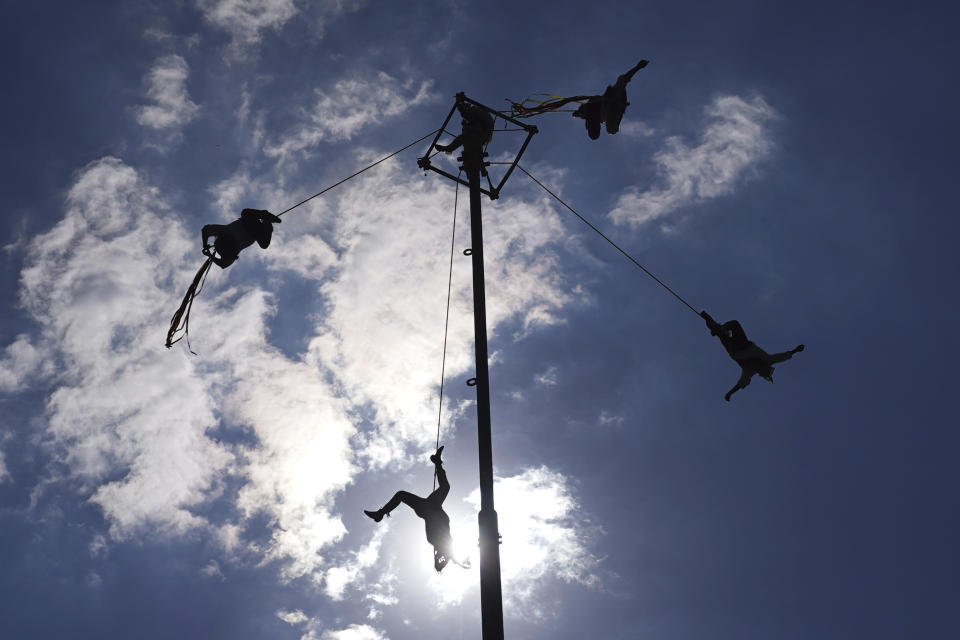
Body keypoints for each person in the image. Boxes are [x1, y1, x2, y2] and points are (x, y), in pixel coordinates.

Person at [364, 446, 469, 572]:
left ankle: (379, 514)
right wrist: (460, 562)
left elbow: (444, 559)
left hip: (427, 508)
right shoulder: (445, 543)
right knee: (407, 493)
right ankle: (437, 462)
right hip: (432, 506)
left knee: (406, 494)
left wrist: (448, 561)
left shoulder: (435, 540)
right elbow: (449, 556)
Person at [701, 310, 804, 401]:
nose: (758, 368)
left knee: (720, 333)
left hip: (735, 352)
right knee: (734, 324)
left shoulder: (749, 371)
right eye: (762, 368)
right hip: (744, 344)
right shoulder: (767, 360)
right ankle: (720, 328)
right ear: (765, 366)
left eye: (760, 370)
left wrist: (730, 394)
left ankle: (716, 327)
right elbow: (781, 357)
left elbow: (741, 383)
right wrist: (795, 350)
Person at [573, 59, 649, 139]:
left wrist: (638, 67)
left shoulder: (591, 109)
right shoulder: (590, 116)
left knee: (621, 81)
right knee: (610, 130)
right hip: (609, 109)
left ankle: (616, 109)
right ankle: (616, 109)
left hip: (610, 103)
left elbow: (623, 80)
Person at [201, 208, 281, 269]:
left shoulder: (223, 232)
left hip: (250, 225)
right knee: (264, 244)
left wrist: (208, 251)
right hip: (255, 230)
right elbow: (205, 230)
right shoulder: (223, 233)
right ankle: (266, 221)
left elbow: (205, 230)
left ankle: (266, 220)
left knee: (245, 213)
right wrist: (208, 252)